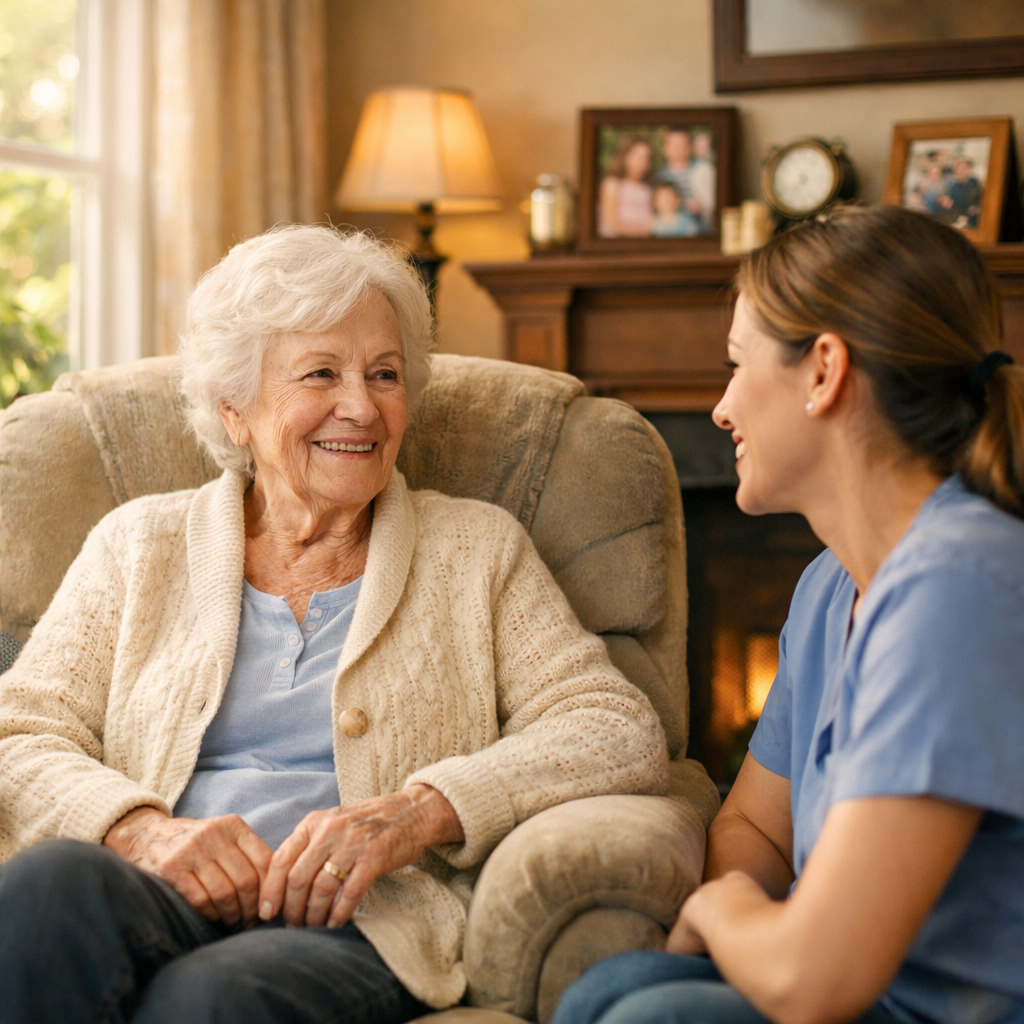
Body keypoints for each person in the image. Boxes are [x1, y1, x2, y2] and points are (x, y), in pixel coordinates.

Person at [0, 226, 669, 1024]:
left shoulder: (474, 548)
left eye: (384, 374)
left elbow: (615, 728)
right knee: (44, 890)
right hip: (163, 897)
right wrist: (142, 831)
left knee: (212, 1000)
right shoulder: (139, 544)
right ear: (234, 410)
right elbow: (20, 732)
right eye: (322, 372)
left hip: (355, 924)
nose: (362, 406)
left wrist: (417, 812)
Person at [553, 206, 1024, 1024]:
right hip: (866, 995)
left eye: (738, 366)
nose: (722, 408)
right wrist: (760, 917)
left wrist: (716, 912)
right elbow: (757, 832)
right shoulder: (828, 589)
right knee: (612, 990)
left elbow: (814, 982)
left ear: (824, 372)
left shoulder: (960, 587)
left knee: (648, 1018)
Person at [657, 130, 714, 235]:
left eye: (682, 144)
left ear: (690, 146)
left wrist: (703, 206)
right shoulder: (660, 177)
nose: (678, 149)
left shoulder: (704, 170)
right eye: (674, 145)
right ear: (665, 149)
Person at [599, 134, 655, 237]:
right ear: (625, 157)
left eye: (646, 158)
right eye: (638, 157)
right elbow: (610, 221)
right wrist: (638, 234)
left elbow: (650, 221)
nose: (642, 163)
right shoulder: (612, 183)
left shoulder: (646, 189)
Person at [938, 155, 983, 229]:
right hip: (957, 220)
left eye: (963, 168)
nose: (960, 171)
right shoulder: (954, 186)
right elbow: (953, 204)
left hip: (973, 222)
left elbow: (979, 205)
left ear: (969, 169)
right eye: (958, 169)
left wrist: (974, 210)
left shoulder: (975, 185)